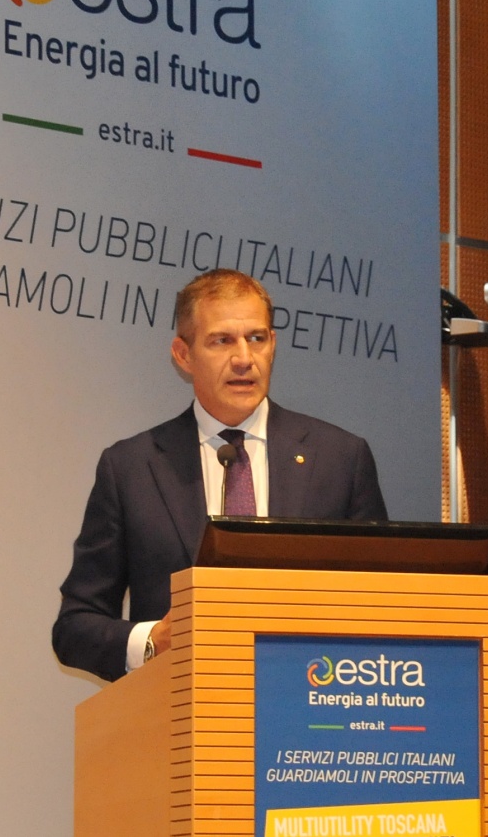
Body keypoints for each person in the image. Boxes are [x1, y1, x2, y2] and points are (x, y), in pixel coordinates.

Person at [52, 269, 387, 682]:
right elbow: (74, 627)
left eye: (256, 338)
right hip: (180, 707)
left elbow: (383, 604)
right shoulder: (131, 468)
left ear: (273, 344)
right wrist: (154, 641)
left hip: (312, 697)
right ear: (183, 354)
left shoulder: (341, 459)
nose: (244, 358)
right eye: (222, 341)